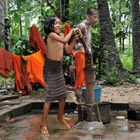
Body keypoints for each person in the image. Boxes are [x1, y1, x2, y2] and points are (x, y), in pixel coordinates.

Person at [41, 15, 81, 136]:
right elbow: (64, 41)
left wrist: (74, 38)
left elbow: (68, 50)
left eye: (60, 23)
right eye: (56, 23)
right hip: (49, 69)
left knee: (62, 96)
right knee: (49, 97)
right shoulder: (51, 36)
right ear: (51, 26)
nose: (59, 25)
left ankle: (60, 117)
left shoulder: (61, 37)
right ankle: (43, 124)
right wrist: (73, 31)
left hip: (58, 69)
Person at [74, 8, 98, 101]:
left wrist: (88, 52)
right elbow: (74, 41)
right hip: (80, 53)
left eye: (97, 18)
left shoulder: (90, 27)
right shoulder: (82, 26)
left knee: (87, 77)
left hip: (86, 54)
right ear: (88, 16)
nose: (96, 20)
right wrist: (83, 49)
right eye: (94, 17)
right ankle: (79, 101)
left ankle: (85, 100)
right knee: (80, 77)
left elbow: (88, 42)